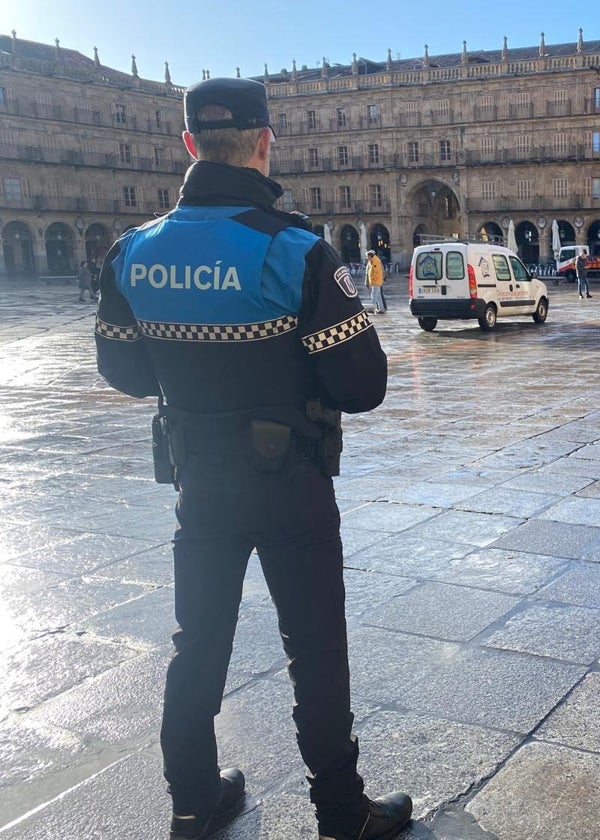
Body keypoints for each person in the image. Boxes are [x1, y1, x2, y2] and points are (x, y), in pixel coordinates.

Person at [93, 77, 411, 840]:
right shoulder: (295, 252)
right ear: (265, 141)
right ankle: (340, 812)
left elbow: (127, 375)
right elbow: (363, 386)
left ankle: (195, 800)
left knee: (196, 638)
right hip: (291, 483)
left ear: (188, 145)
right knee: (314, 645)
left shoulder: (131, 252)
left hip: (198, 480)